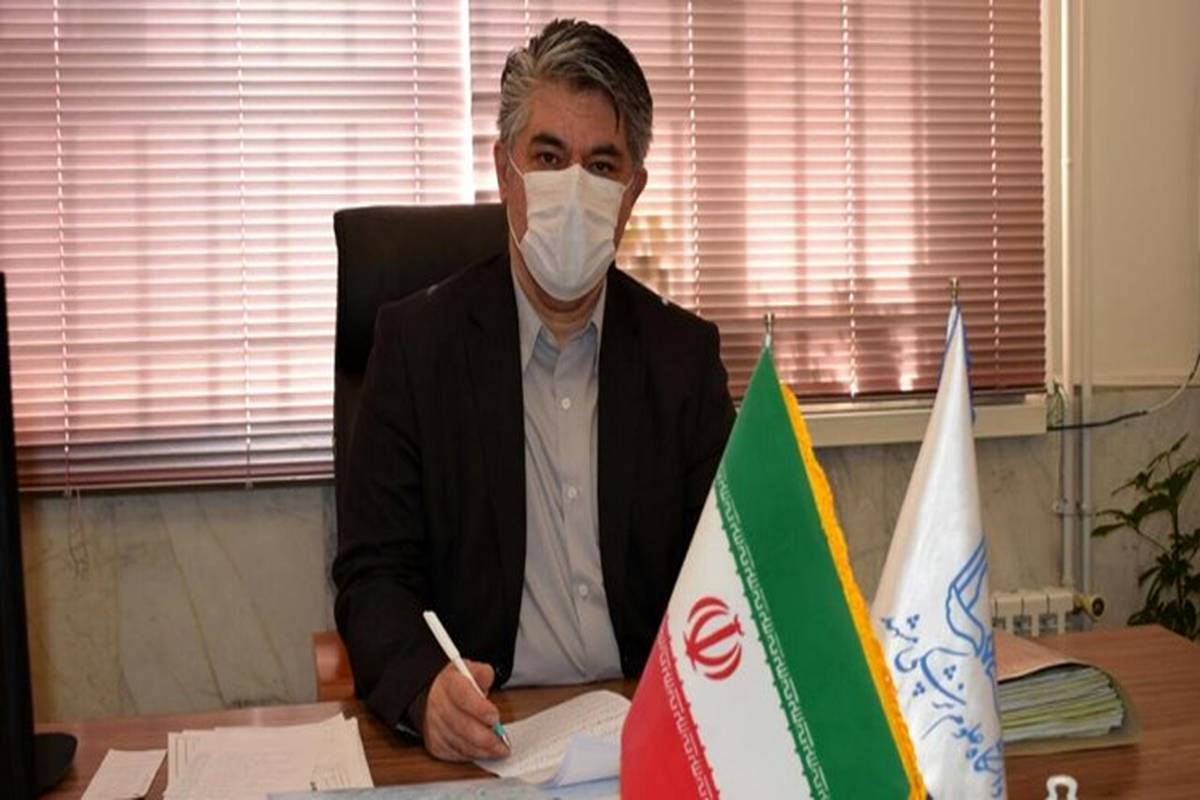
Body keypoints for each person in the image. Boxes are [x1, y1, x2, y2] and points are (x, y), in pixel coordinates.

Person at [332, 18, 735, 763]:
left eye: (602, 165)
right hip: (487, 742)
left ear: (633, 191)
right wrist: (424, 692)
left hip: (644, 740)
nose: (573, 187)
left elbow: (731, 579)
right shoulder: (417, 348)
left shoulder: (683, 360)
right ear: (504, 169)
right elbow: (373, 578)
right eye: (548, 157)